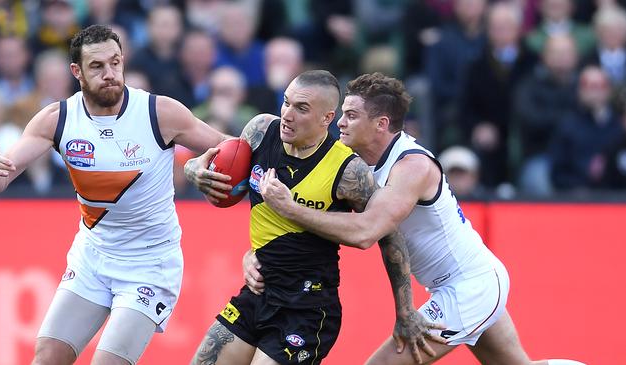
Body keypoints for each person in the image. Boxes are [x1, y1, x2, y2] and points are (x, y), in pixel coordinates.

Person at [246, 73, 585, 365]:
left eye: (350, 115)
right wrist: (255, 252)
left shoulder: (412, 167)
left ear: (380, 124)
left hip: (470, 285)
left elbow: (366, 232)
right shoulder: (352, 160)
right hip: (463, 282)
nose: (339, 123)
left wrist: (289, 208)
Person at [0, 25, 227, 365]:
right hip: (92, 258)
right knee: (47, 357)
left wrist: (197, 165)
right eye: (97, 66)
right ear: (76, 72)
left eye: (115, 63)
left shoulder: (158, 113)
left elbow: (228, 149)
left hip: (149, 265)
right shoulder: (58, 119)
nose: (109, 74)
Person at [184, 70, 444, 365]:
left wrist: (405, 311)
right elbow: (223, 165)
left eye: (301, 108)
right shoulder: (260, 131)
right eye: (286, 103)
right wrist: (194, 170)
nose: (287, 115)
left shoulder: (348, 170)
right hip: (258, 292)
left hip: (306, 309)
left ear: (326, 118)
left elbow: (388, 234)